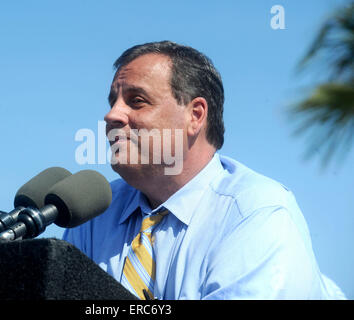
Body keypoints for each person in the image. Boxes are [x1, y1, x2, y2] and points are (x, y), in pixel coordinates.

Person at [63, 41, 346, 299]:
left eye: (137, 100)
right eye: (113, 101)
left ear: (195, 116)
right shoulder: (94, 214)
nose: (111, 115)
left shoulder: (256, 212)